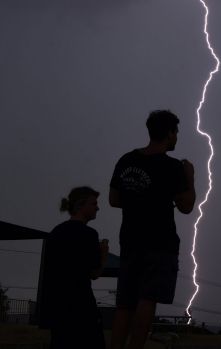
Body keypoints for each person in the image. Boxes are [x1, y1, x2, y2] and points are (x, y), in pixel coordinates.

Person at [109, 110, 195, 349]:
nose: (177, 137)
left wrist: (138, 196)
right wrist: (190, 177)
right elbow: (186, 206)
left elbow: (114, 199)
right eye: (176, 132)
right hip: (160, 243)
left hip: (129, 241)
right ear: (169, 133)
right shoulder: (173, 167)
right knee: (147, 300)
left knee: (125, 304)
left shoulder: (127, 160)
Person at [39, 186, 109, 349]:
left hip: (57, 309)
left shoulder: (55, 233)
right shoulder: (89, 234)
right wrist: (103, 255)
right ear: (80, 206)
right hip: (81, 309)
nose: (97, 207)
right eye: (94, 203)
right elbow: (94, 273)